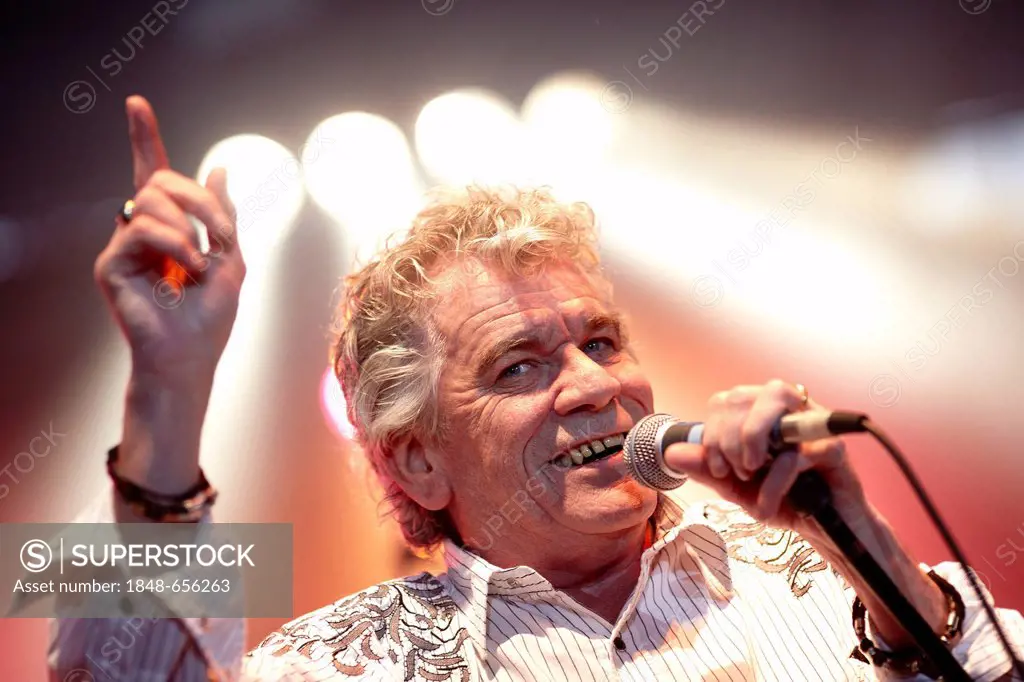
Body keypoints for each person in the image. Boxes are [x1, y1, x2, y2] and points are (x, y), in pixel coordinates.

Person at [50, 95, 1024, 681]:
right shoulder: (349, 658)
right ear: (417, 459)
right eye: (519, 366)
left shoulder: (817, 584)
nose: (591, 385)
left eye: (600, 339)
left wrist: (874, 562)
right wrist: (165, 389)